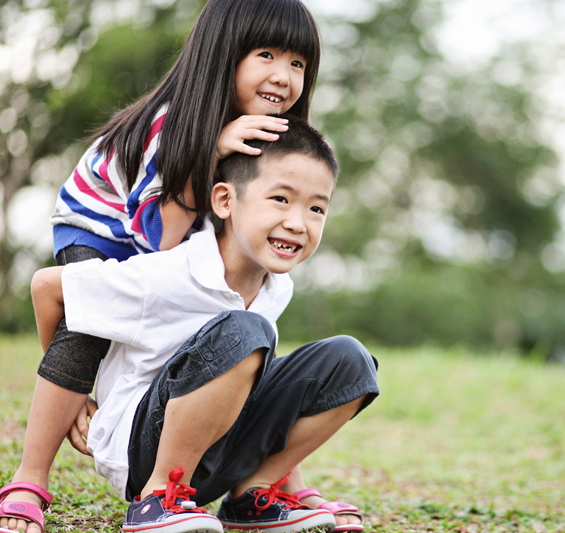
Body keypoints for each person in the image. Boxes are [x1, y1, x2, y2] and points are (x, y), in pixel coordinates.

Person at [0, 0, 365, 531]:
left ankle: (265, 486)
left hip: (169, 230)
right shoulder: (175, 123)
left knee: (243, 327)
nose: (283, 77)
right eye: (266, 54)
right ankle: (30, 479)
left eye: (297, 64)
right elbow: (161, 238)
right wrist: (209, 147)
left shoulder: (264, 138)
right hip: (104, 224)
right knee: (85, 331)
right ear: (224, 53)